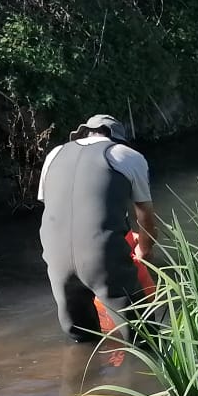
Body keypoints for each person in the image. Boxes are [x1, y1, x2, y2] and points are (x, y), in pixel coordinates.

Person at [37, 114, 161, 340]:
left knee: (81, 335)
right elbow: (145, 218)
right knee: (143, 337)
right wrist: (144, 249)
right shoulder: (128, 156)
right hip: (101, 255)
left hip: (55, 255)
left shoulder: (53, 155)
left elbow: (54, 208)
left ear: (83, 134)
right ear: (116, 139)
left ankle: (86, 371)